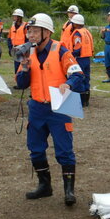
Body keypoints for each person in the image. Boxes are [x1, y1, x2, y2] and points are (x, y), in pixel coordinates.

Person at [15, 13, 86, 205]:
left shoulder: (60, 49)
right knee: (35, 149)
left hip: (59, 107)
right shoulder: (27, 53)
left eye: (35, 31)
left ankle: (69, 191)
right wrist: (24, 68)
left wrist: (69, 84)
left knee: (64, 150)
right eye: (29, 31)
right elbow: (21, 84)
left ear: (47, 32)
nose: (31, 35)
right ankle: (44, 186)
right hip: (37, 107)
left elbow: (78, 74)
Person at [65, 13, 93, 107]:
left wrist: (70, 55)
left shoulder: (77, 33)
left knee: (78, 78)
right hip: (87, 58)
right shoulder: (86, 31)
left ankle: (80, 101)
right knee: (86, 79)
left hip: (79, 58)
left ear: (75, 24)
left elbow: (77, 48)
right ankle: (86, 101)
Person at [7, 9, 27, 73]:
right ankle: (17, 80)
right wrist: (10, 49)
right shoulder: (12, 26)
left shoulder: (25, 26)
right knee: (16, 67)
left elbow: (28, 39)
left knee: (23, 67)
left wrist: (25, 50)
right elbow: (9, 38)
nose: (14, 18)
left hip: (23, 49)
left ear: (19, 17)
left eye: (15, 16)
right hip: (15, 49)